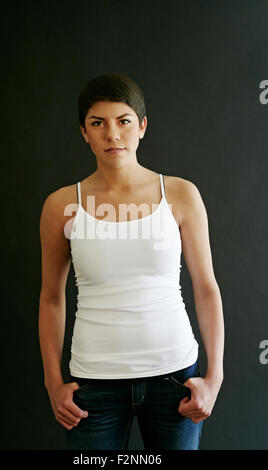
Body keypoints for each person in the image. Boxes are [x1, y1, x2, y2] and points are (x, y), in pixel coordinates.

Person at [38, 73, 224, 450]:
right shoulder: (61, 205)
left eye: (123, 121)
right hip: (92, 387)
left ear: (141, 126)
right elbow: (51, 298)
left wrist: (215, 378)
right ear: (83, 132)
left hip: (175, 382)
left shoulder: (179, 194)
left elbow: (206, 288)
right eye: (98, 123)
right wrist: (52, 383)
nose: (112, 134)